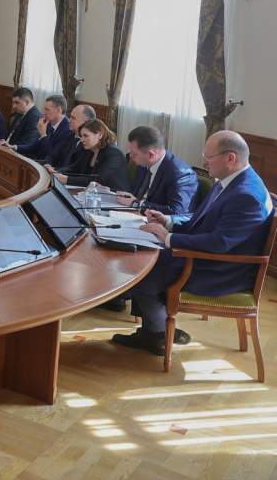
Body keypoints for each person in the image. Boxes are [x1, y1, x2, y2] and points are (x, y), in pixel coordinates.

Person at [112, 131, 274, 355]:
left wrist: (168, 238)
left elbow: (219, 242)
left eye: (208, 157)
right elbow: (202, 220)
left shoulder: (246, 195)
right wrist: (168, 221)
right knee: (143, 255)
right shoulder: (232, 180)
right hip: (211, 258)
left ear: (230, 158)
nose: (204, 162)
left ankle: (156, 335)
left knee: (142, 270)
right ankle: (157, 327)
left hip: (222, 271)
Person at [117, 125, 197, 215]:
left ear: (151, 155)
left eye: (134, 154)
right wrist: (130, 199)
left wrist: (137, 204)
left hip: (156, 222)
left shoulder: (180, 174)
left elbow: (175, 212)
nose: (130, 157)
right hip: (135, 215)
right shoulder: (143, 164)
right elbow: (138, 196)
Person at [54, 119, 129, 192]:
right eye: (81, 136)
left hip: (115, 197)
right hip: (93, 194)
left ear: (100, 134)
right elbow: (73, 168)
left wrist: (67, 179)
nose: (82, 140)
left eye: (86, 136)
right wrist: (56, 172)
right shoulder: (89, 150)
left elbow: (99, 179)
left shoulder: (114, 154)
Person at [11, 95, 72, 167]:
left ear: (59, 110)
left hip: (51, 167)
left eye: (47, 109)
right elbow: (34, 146)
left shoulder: (67, 129)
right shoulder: (49, 123)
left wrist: (43, 134)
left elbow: (52, 155)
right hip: (40, 162)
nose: (43, 113)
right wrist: (14, 147)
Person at [55, 104, 97, 170]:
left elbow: (76, 169)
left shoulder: (90, 144)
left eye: (73, 118)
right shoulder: (68, 135)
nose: (69, 120)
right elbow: (53, 154)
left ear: (86, 122)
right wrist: (48, 164)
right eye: (70, 117)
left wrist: (57, 171)